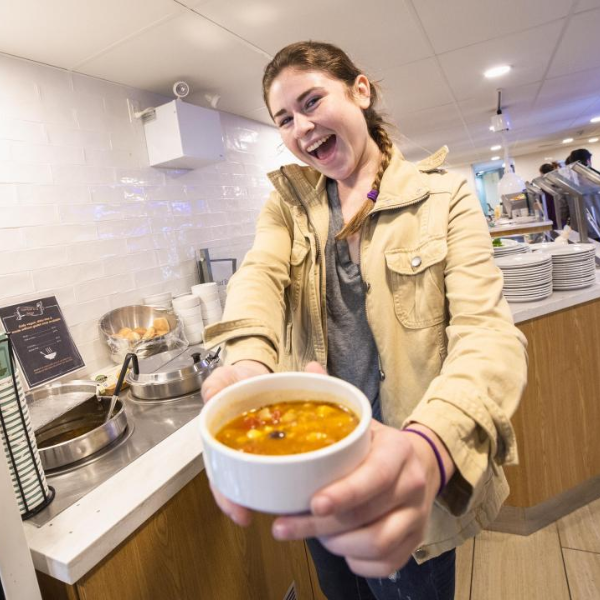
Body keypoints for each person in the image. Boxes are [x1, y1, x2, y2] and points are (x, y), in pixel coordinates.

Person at [202, 41, 528, 600]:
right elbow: (258, 275)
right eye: (284, 119)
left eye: (311, 102)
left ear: (360, 90)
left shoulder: (444, 198)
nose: (300, 126)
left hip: (401, 467)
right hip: (316, 464)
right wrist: (250, 360)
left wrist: (428, 449)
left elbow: (489, 336)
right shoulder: (288, 205)